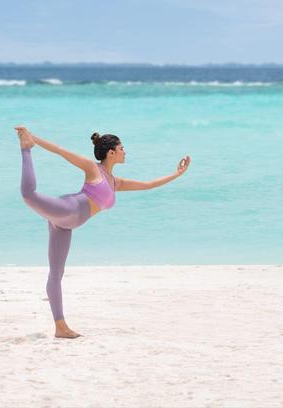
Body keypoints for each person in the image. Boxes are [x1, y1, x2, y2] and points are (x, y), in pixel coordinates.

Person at [14, 125, 191, 338]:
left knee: (56, 274)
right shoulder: (92, 168)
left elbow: (149, 185)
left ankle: (60, 327)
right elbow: (60, 150)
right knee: (28, 195)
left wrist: (177, 174)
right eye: (122, 148)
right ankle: (26, 149)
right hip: (66, 209)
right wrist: (32, 138)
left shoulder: (116, 182)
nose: (126, 151)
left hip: (65, 225)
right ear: (111, 153)